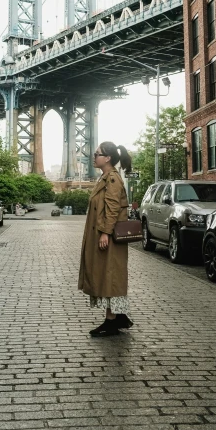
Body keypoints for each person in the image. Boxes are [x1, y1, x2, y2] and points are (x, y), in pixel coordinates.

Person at [78, 141, 134, 337]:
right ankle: (118, 316)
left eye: (97, 154)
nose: (94, 157)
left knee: (109, 276)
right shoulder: (105, 177)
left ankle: (111, 321)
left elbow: (112, 209)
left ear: (108, 158)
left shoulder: (112, 179)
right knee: (107, 275)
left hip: (108, 238)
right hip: (104, 235)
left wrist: (105, 233)